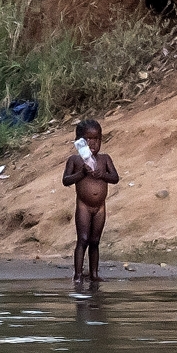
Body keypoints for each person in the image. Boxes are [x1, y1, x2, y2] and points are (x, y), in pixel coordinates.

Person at [62, 118, 121, 286]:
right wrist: (81, 173)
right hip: (84, 206)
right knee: (83, 239)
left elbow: (115, 178)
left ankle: (94, 274)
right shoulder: (75, 160)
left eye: (97, 139)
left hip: (100, 207)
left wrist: (103, 175)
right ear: (79, 142)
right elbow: (66, 180)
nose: (93, 143)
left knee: (95, 241)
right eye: (88, 139)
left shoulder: (105, 159)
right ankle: (78, 275)